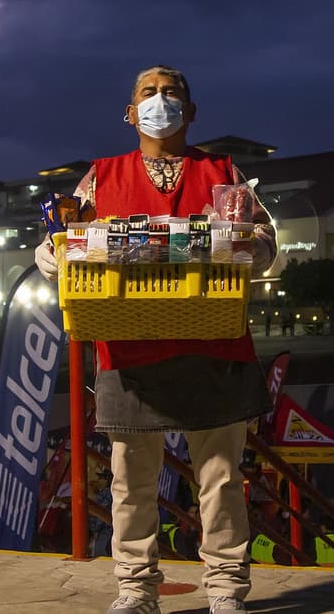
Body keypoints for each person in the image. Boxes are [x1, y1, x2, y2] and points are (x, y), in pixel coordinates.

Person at [34, 65, 277, 614]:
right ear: (129, 112)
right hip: (127, 346)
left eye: (172, 93)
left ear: (191, 113)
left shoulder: (223, 171)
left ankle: (225, 588)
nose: (160, 101)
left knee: (219, 479)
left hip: (213, 342)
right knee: (130, 479)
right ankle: (136, 588)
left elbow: (262, 233)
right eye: (149, 92)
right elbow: (67, 238)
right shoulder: (99, 176)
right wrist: (49, 254)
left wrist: (255, 247)